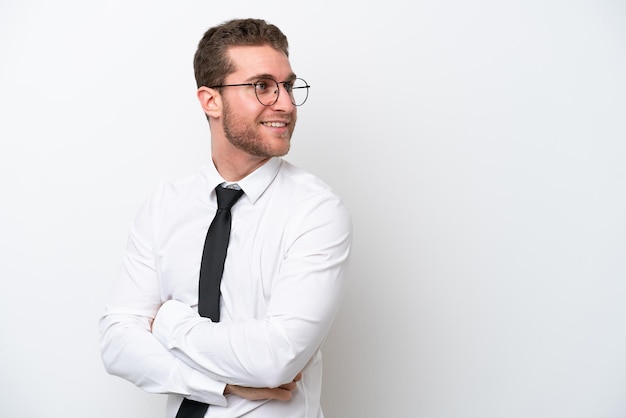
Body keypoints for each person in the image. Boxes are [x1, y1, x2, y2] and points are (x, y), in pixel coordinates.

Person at [98, 18, 352, 418]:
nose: (284, 103)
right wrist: (219, 384)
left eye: (287, 86)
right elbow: (117, 342)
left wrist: (168, 324)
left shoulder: (315, 211)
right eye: (262, 86)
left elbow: (276, 358)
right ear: (210, 100)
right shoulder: (167, 203)